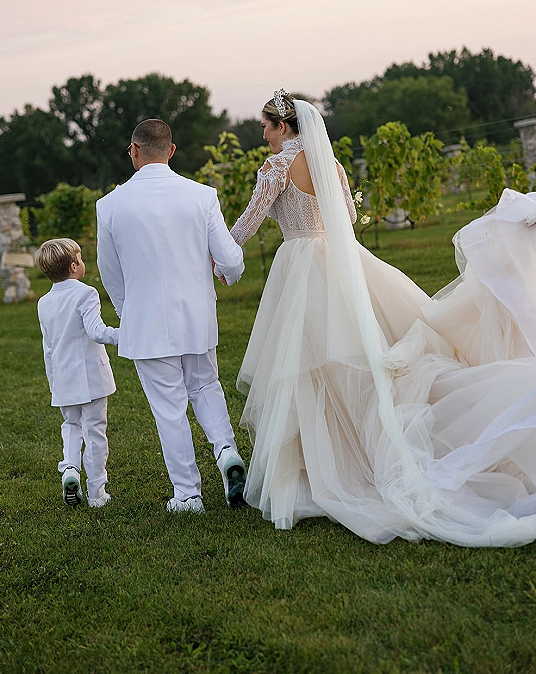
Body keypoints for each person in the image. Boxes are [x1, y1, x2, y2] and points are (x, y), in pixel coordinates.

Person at [229, 89, 536, 546]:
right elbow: (348, 216)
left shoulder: (274, 168)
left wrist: (217, 254)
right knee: (350, 358)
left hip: (299, 263)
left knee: (308, 367)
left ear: (284, 126)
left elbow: (249, 223)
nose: (265, 137)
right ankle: (343, 452)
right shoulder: (330, 165)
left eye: (267, 128)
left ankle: (318, 468)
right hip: (340, 258)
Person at [96, 118, 247, 514]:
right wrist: (228, 275)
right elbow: (230, 258)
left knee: (169, 407)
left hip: (145, 323)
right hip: (197, 316)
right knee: (206, 387)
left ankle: (188, 495)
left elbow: (110, 273)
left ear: (134, 151)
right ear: (172, 150)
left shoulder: (109, 206)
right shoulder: (202, 196)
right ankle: (227, 454)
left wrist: (130, 315)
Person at [35, 238, 119, 508]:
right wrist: (125, 335)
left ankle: (70, 470)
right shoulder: (86, 293)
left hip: (63, 378)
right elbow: (96, 331)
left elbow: (47, 346)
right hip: (91, 377)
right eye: (81, 259)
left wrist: (52, 381)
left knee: (71, 425)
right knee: (95, 432)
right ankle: (97, 494)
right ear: (74, 266)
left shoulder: (43, 302)